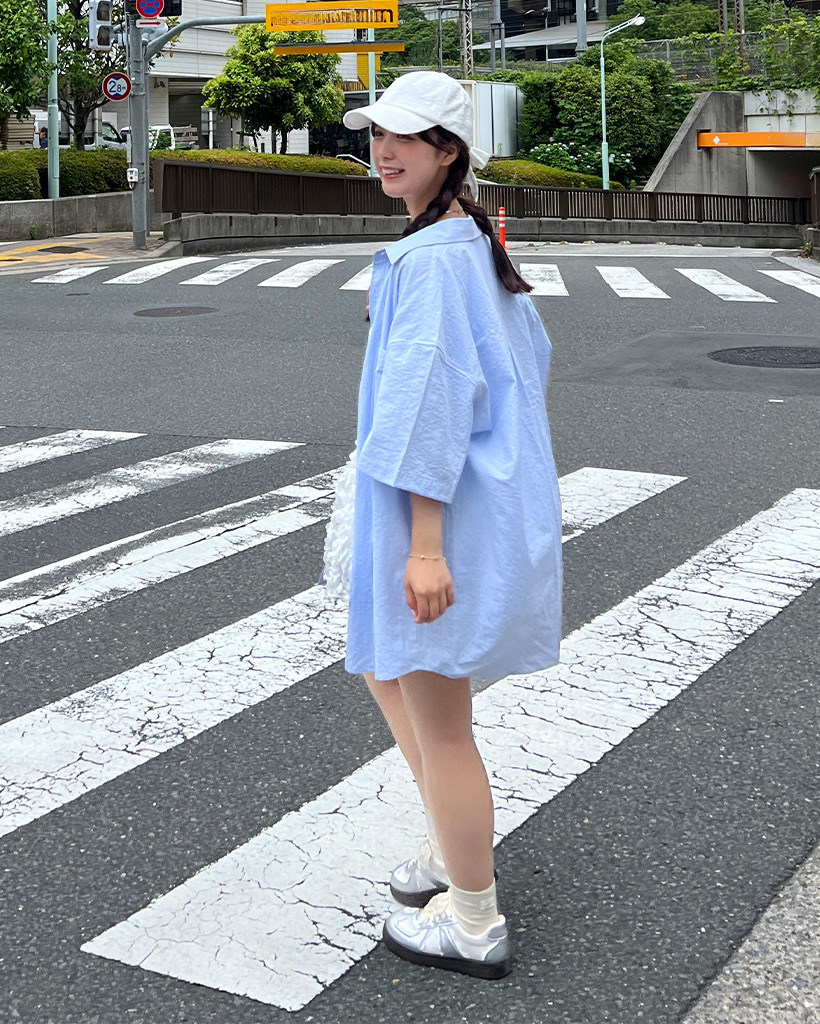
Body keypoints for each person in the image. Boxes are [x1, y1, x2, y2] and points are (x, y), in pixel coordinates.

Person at [338, 71, 562, 980]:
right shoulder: (467, 238)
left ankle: (473, 919)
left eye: (406, 135)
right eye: (377, 133)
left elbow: (431, 402)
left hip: (437, 511)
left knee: (440, 720)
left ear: (450, 151)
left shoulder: (433, 260)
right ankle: (449, 846)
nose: (384, 149)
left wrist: (426, 547)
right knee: (389, 671)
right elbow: (528, 364)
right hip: (462, 496)